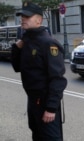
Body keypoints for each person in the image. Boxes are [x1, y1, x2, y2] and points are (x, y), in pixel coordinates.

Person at [11, 2, 67, 141]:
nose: (23, 19)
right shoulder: (26, 41)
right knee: (37, 135)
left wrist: (51, 108)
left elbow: (58, 79)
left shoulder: (48, 43)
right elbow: (17, 67)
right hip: (32, 101)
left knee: (50, 138)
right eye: (22, 16)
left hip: (45, 103)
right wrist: (16, 49)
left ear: (39, 20)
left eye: (27, 16)